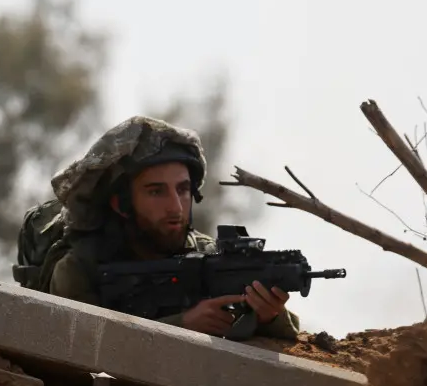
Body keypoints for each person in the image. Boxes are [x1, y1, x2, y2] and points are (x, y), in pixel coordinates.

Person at [44, 116, 299, 339]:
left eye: (183, 189)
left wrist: (269, 315)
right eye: (156, 192)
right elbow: (80, 345)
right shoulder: (82, 268)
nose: (176, 207)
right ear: (121, 204)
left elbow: (291, 331)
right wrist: (183, 325)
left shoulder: (209, 256)